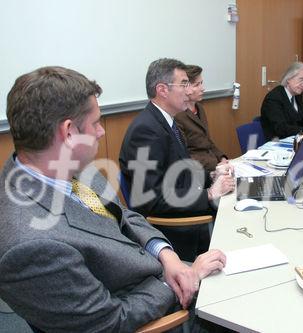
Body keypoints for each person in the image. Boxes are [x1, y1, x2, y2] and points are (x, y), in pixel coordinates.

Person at [0, 66, 226, 332]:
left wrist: (167, 256)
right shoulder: (30, 245)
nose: (101, 132)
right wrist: (178, 280)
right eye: (96, 123)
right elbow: (111, 321)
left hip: (160, 272)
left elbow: (125, 216)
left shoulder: (68, 166)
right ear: (69, 132)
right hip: (157, 315)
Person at [120, 58, 235, 262]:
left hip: (184, 208)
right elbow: (150, 199)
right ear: (163, 90)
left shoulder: (166, 121)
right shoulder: (146, 131)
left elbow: (179, 173)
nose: (189, 90)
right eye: (184, 84)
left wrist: (211, 176)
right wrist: (208, 194)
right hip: (174, 228)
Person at [174, 65, 228, 172]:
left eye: (201, 83)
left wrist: (222, 158)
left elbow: (207, 141)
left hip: (212, 165)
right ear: (185, 88)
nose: (202, 89)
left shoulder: (199, 108)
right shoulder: (177, 115)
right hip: (198, 172)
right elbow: (185, 155)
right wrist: (216, 165)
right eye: (197, 85)